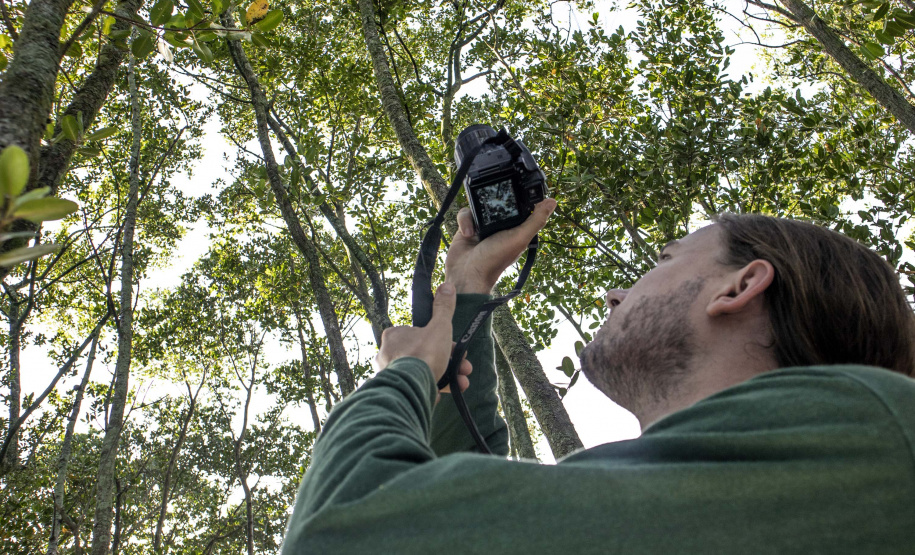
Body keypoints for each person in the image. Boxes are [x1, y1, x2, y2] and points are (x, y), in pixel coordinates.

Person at [280, 200, 915, 554]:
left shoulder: (886, 437)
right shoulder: (717, 496)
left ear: (741, 284)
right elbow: (453, 510)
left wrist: (404, 374)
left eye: (662, 261)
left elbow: (345, 527)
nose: (615, 293)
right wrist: (469, 291)